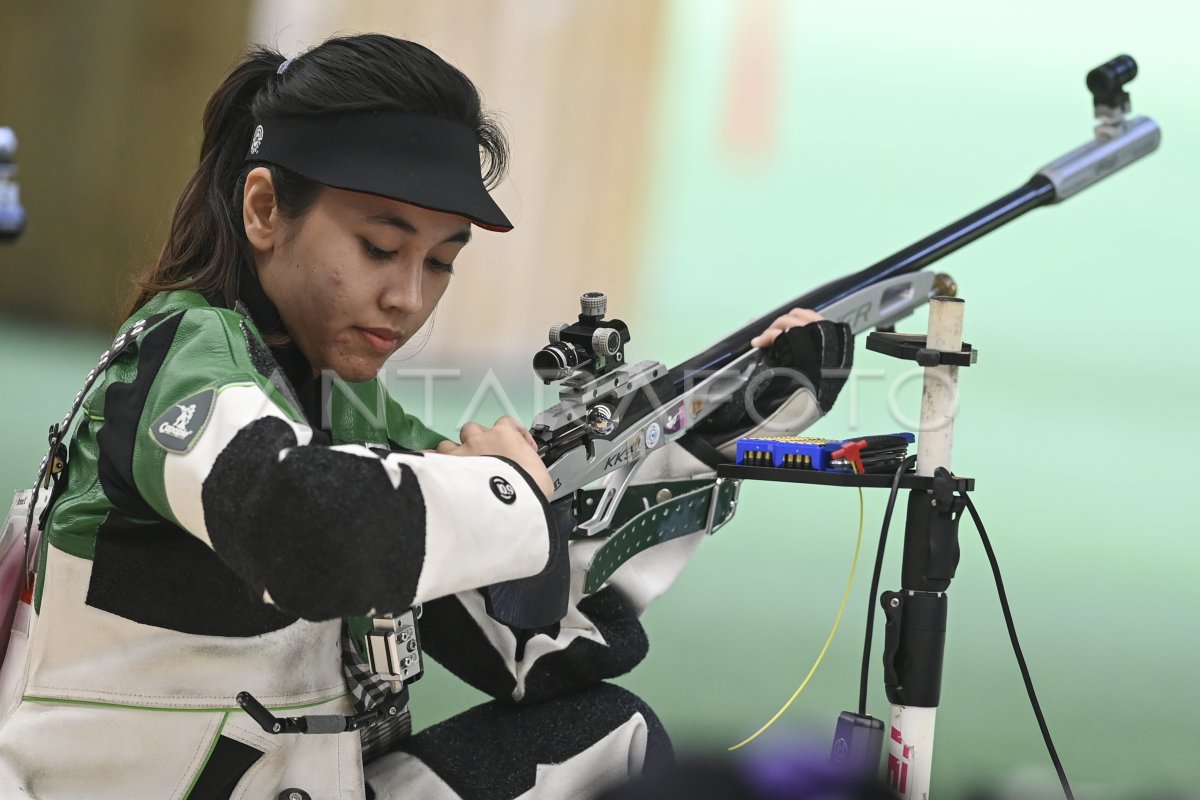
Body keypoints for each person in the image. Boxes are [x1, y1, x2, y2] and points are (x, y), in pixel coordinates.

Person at [0, 34, 852, 799]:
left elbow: (542, 653)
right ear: (264, 210)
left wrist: (706, 430)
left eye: (441, 261)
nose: (408, 297)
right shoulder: (177, 353)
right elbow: (305, 527)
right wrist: (503, 492)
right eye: (379, 247)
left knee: (607, 735)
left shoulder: (344, 400)